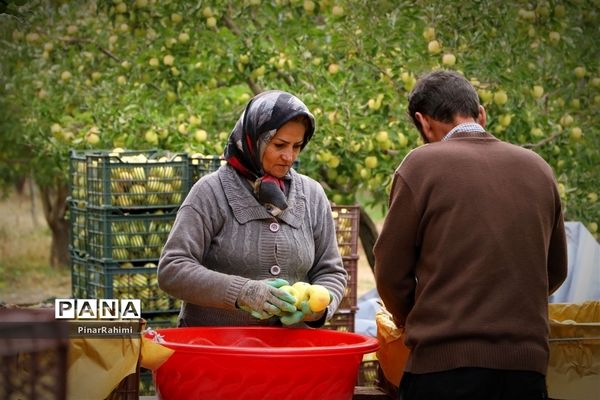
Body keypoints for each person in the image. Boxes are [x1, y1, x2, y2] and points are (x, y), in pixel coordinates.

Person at [373, 70, 568, 400]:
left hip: (442, 369)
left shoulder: (421, 165)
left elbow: (390, 272)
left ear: (423, 122)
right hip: (526, 370)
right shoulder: (538, 168)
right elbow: (555, 270)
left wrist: (410, 318)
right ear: (482, 113)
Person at [158, 89, 347, 328]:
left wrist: (319, 309)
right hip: (218, 351)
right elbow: (172, 269)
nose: (289, 156)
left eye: (297, 146)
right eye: (279, 145)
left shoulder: (311, 195)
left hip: (288, 354)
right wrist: (242, 292)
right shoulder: (211, 192)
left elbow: (331, 272)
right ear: (254, 139)